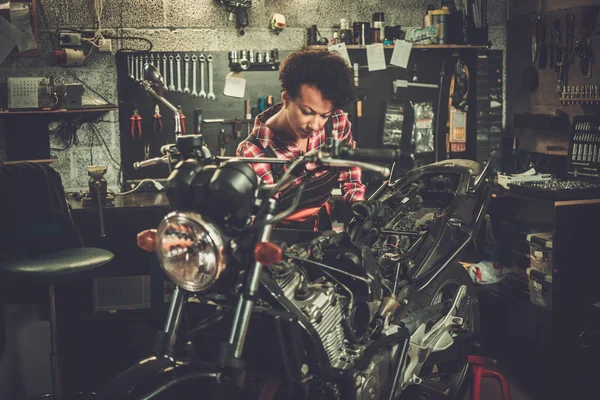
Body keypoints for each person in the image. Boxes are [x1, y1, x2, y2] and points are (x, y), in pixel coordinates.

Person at [236, 48, 366, 231]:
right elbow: (259, 214)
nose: (315, 125)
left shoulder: (336, 123)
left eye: (324, 115)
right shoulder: (255, 151)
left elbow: (351, 172)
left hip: (322, 229)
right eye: (307, 112)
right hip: (279, 241)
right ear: (286, 99)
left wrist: (356, 202)